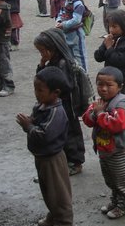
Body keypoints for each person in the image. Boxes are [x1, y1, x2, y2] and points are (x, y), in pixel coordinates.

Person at [15, 67, 73, 226]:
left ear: (55, 93)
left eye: (40, 90)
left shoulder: (56, 111)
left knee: (58, 191)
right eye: (35, 89)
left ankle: (64, 222)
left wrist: (29, 126)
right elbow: (38, 126)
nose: (36, 93)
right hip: (41, 156)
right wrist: (31, 122)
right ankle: (54, 214)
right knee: (47, 189)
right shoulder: (41, 106)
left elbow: (45, 136)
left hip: (53, 158)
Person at [82, 66, 125, 219]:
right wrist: (94, 113)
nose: (103, 89)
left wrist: (100, 114)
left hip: (118, 151)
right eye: (100, 84)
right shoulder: (99, 102)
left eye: (109, 85)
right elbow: (87, 120)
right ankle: (116, 200)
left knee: (122, 179)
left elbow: (117, 125)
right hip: (104, 150)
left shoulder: (121, 104)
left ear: (120, 87)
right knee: (110, 179)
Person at [34, 28, 87, 176]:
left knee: (71, 134)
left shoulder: (64, 63)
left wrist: (54, 87)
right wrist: (42, 64)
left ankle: (76, 162)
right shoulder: (52, 62)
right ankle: (67, 160)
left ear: (53, 48)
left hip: (67, 106)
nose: (42, 54)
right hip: (57, 106)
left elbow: (67, 85)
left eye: (43, 51)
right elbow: (41, 79)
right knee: (60, 133)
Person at [94, 9, 125, 98]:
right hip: (110, 80)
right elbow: (98, 57)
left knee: (124, 105)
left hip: (123, 82)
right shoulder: (111, 39)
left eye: (114, 27)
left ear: (124, 27)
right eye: (109, 26)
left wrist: (109, 48)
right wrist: (104, 46)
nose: (111, 30)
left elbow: (118, 61)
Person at [56, 0, 88, 71]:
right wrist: (58, 21)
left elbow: (76, 20)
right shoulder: (66, 2)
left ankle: (84, 78)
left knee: (80, 58)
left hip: (76, 35)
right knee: (69, 57)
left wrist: (63, 24)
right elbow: (61, 13)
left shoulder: (78, 4)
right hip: (67, 34)